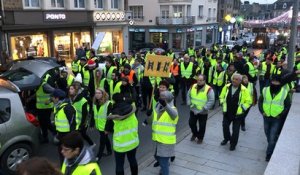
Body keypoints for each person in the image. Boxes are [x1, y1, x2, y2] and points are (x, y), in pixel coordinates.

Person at [258, 75, 290, 161]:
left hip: (277, 118)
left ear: (280, 83)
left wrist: (280, 115)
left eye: (277, 82)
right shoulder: (265, 90)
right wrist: (262, 111)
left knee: (272, 137)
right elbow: (260, 101)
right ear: (271, 81)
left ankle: (269, 154)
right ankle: (272, 144)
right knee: (267, 133)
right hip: (266, 116)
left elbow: (287, 106)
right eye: (273, 81)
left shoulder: (284, 92)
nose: (275, 83)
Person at [105, 93, 139, 175]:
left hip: (120, 145)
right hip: (133, 142)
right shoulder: (132, 109)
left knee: (119, 165)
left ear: (114, 101)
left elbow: (107, 131)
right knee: (132, 160)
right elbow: (132, 99)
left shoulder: (112, 114)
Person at [219, 73, 252, 151]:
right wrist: (222, 102)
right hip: (227, 112)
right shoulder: (226, 87)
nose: (234, 80)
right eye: (233, 78)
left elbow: (248, 101)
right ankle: (227, 138)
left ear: (240, 81)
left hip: (238, 114)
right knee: (225, 126)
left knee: (236, 130)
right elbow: (221, 96)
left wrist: (243, 108)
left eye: (237, 79)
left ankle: (233, 144)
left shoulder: (244, 90)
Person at [151, 90, 178, 175]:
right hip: (158, 139)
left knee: (163, 162)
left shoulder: (173, 109)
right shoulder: (158, 106)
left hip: (166, 141)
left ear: (168, 98)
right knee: (156, 156)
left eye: (163, 97)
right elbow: (153, 120)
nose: (161, 98)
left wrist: (165, 105)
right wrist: (148, 116)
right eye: (160, 96)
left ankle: (164, 170)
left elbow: (173, 114)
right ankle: (164, 167)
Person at [187, 74, 215, 144]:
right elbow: (188, 95)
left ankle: (200, 138)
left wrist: (203, 109)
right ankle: (195, 133)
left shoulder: (209, 89)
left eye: (200, 80)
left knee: (202, 126)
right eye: (198, 80)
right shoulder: (193, 86)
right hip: (193, 109)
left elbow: (211, 100)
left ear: (204, 81)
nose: (198, 81)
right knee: (191, 123)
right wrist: (189, 102)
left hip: (203, 111)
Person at [51, 89, 77, 163]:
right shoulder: (58, 106)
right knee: (62, 154)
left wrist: (71, 140)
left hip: (67, 136)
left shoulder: (67, 108)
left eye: (53, 97)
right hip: (60, 134)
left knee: (68, 155)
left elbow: (73, 124)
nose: (51, 99)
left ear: (57, 98)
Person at [36, 72, 56, 143]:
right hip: (40, 108)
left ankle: (56, 133)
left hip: (46, 107)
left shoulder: (44, 85)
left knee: (46, 123)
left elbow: (55, 91)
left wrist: (50, 100)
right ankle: (45, 138)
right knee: (42, 123)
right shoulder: (37, 85)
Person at [93, 88, 112, 160]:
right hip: (99, 126)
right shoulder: (95, 103)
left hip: (105, 127)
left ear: (103, 94)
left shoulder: (108, 104)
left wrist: (107, 129)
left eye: (99, 93)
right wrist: (92, 123)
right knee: (105, 139)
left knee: (102, 142)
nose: (97, 95)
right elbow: (94, 114)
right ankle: (109, 150)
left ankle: (98, 157)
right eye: (96, 93)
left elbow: (110, 119)